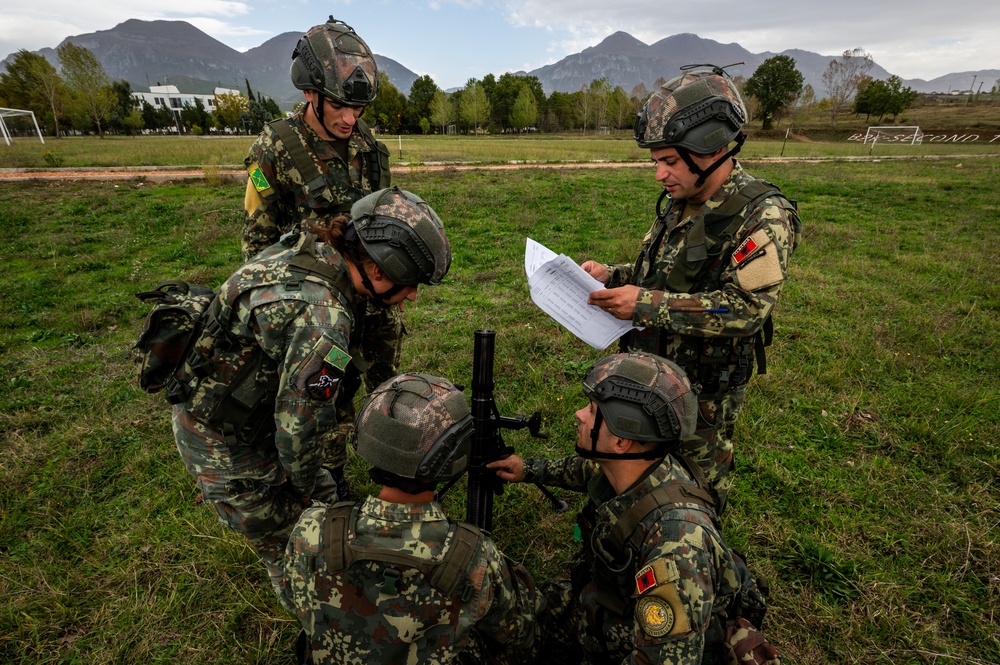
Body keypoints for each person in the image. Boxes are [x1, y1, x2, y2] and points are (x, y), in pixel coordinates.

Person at [171, 187, 451, 608]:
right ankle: (318, 619)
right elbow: (298, 429)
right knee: (294, 549)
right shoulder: (325, 321)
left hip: (246, 410)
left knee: (330, 518)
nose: (412, 296)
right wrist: (303, 493)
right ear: (375, 271)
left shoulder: (321, 246)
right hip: (225, 446)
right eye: (409, 284)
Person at [582, 66, 801, 512]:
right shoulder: (681, 203)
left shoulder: (763, 216)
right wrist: (614, 276)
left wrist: (644, 305)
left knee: (695, 491)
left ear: (713, 150)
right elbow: (665, 273)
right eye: (655, 162)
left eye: (670, 162)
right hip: (652, 373)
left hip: (702, 394)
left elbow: (745, 309)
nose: (659, 175)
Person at [488, 352, 779, 665]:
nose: (578, 415)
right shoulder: (641, 465)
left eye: (591, 410)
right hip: (612, 604)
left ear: (621, 442)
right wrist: (527, 469)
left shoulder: (676, 548)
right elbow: (586, 471)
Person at [241, 16, 398, 499]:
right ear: (311, 92)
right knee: (324, 393)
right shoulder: (273, 149)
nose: (350, 119)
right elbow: (256, 243)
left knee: (384, 384)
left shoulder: (370, 148)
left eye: (359, 108)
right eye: (340, 106)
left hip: (371, 297)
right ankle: (328, 481)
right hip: (312, 304)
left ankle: (391, 461)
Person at [283, 372, 542, 665]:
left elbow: (294, 600)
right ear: (454, 456)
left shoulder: (312, 528)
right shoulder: (476, 557)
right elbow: (516, 631)